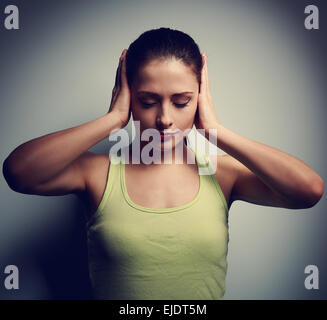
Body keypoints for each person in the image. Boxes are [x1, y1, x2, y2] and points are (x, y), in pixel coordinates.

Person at [2, 27, 324, 300]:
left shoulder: (222, 174)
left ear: (201, 97)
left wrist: (216, 131)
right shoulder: (98, 174)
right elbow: (18, 172)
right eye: (147, 101)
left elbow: (309, 190)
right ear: (129, 95)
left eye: (181, 101)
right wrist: (113, 119)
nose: (164, 119)